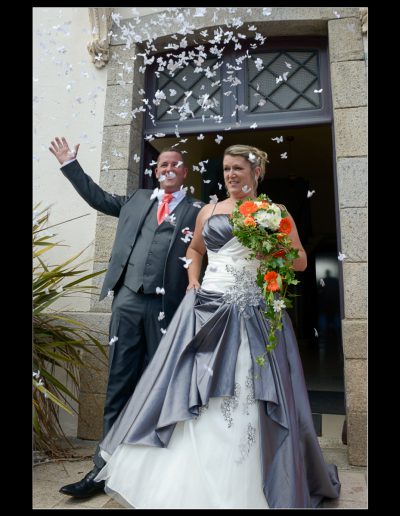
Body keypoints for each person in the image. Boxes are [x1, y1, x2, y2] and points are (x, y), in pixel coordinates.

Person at [94, 145, 341, 508]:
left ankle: (253, 478)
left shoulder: (275, 212)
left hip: (253, 312)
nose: (231, 175)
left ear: (257, 173)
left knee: (245, 387)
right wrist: (193, 278)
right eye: (226, 169)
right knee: (189, 384)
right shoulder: (208, 210)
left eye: (238, 168)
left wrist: (270, 250)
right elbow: (195, 250)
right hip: (205, 310)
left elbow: (301, 260)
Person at [49, 136, 203, 498]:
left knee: (164, 385)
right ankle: (102, 468)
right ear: (156, 170)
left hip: (170, 306)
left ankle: (158, 469)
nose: (168, 169)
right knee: (119, 381)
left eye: (175, 164)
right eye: (162, 164)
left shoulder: (198, 210)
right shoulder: (136, 200)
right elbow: (98, 198)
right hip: (129, 300)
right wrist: (70, 165)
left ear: (185, 172)